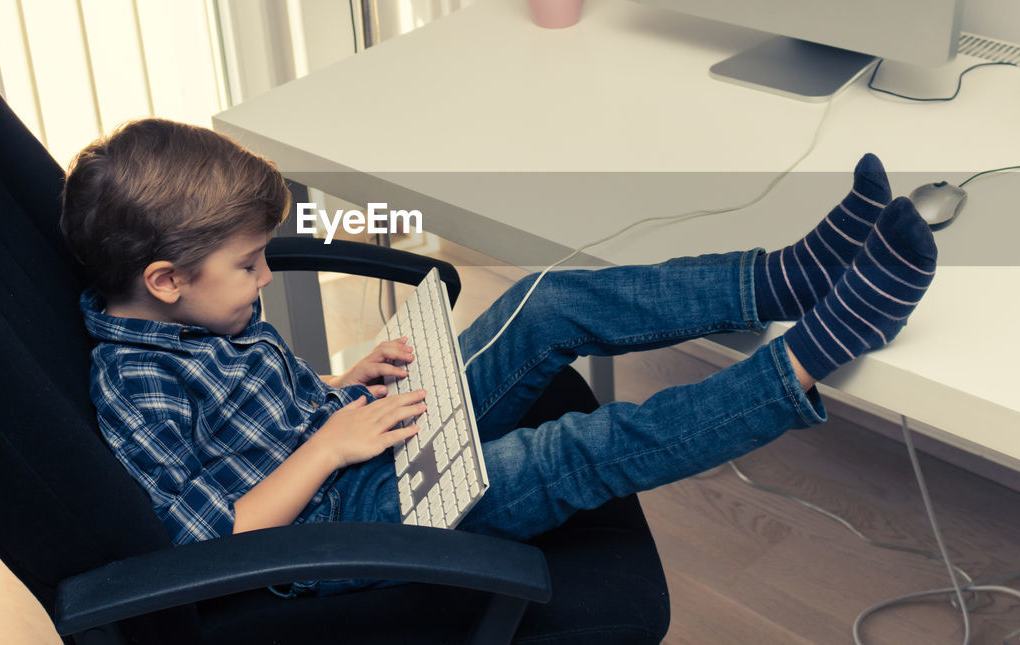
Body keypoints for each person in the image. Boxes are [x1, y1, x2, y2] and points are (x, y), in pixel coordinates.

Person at [60, 117, 937, 597]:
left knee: (543, 301)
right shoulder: (134, 380)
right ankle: (807, 363)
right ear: (166, 278)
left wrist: (336, 390)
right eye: (248, 264)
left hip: (346, 445)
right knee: (568, 452)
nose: (263, 275)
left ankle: (784, 281)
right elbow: (200, 536)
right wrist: (328, 446)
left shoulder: (194, 314)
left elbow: (249, 415)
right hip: (337, 527)